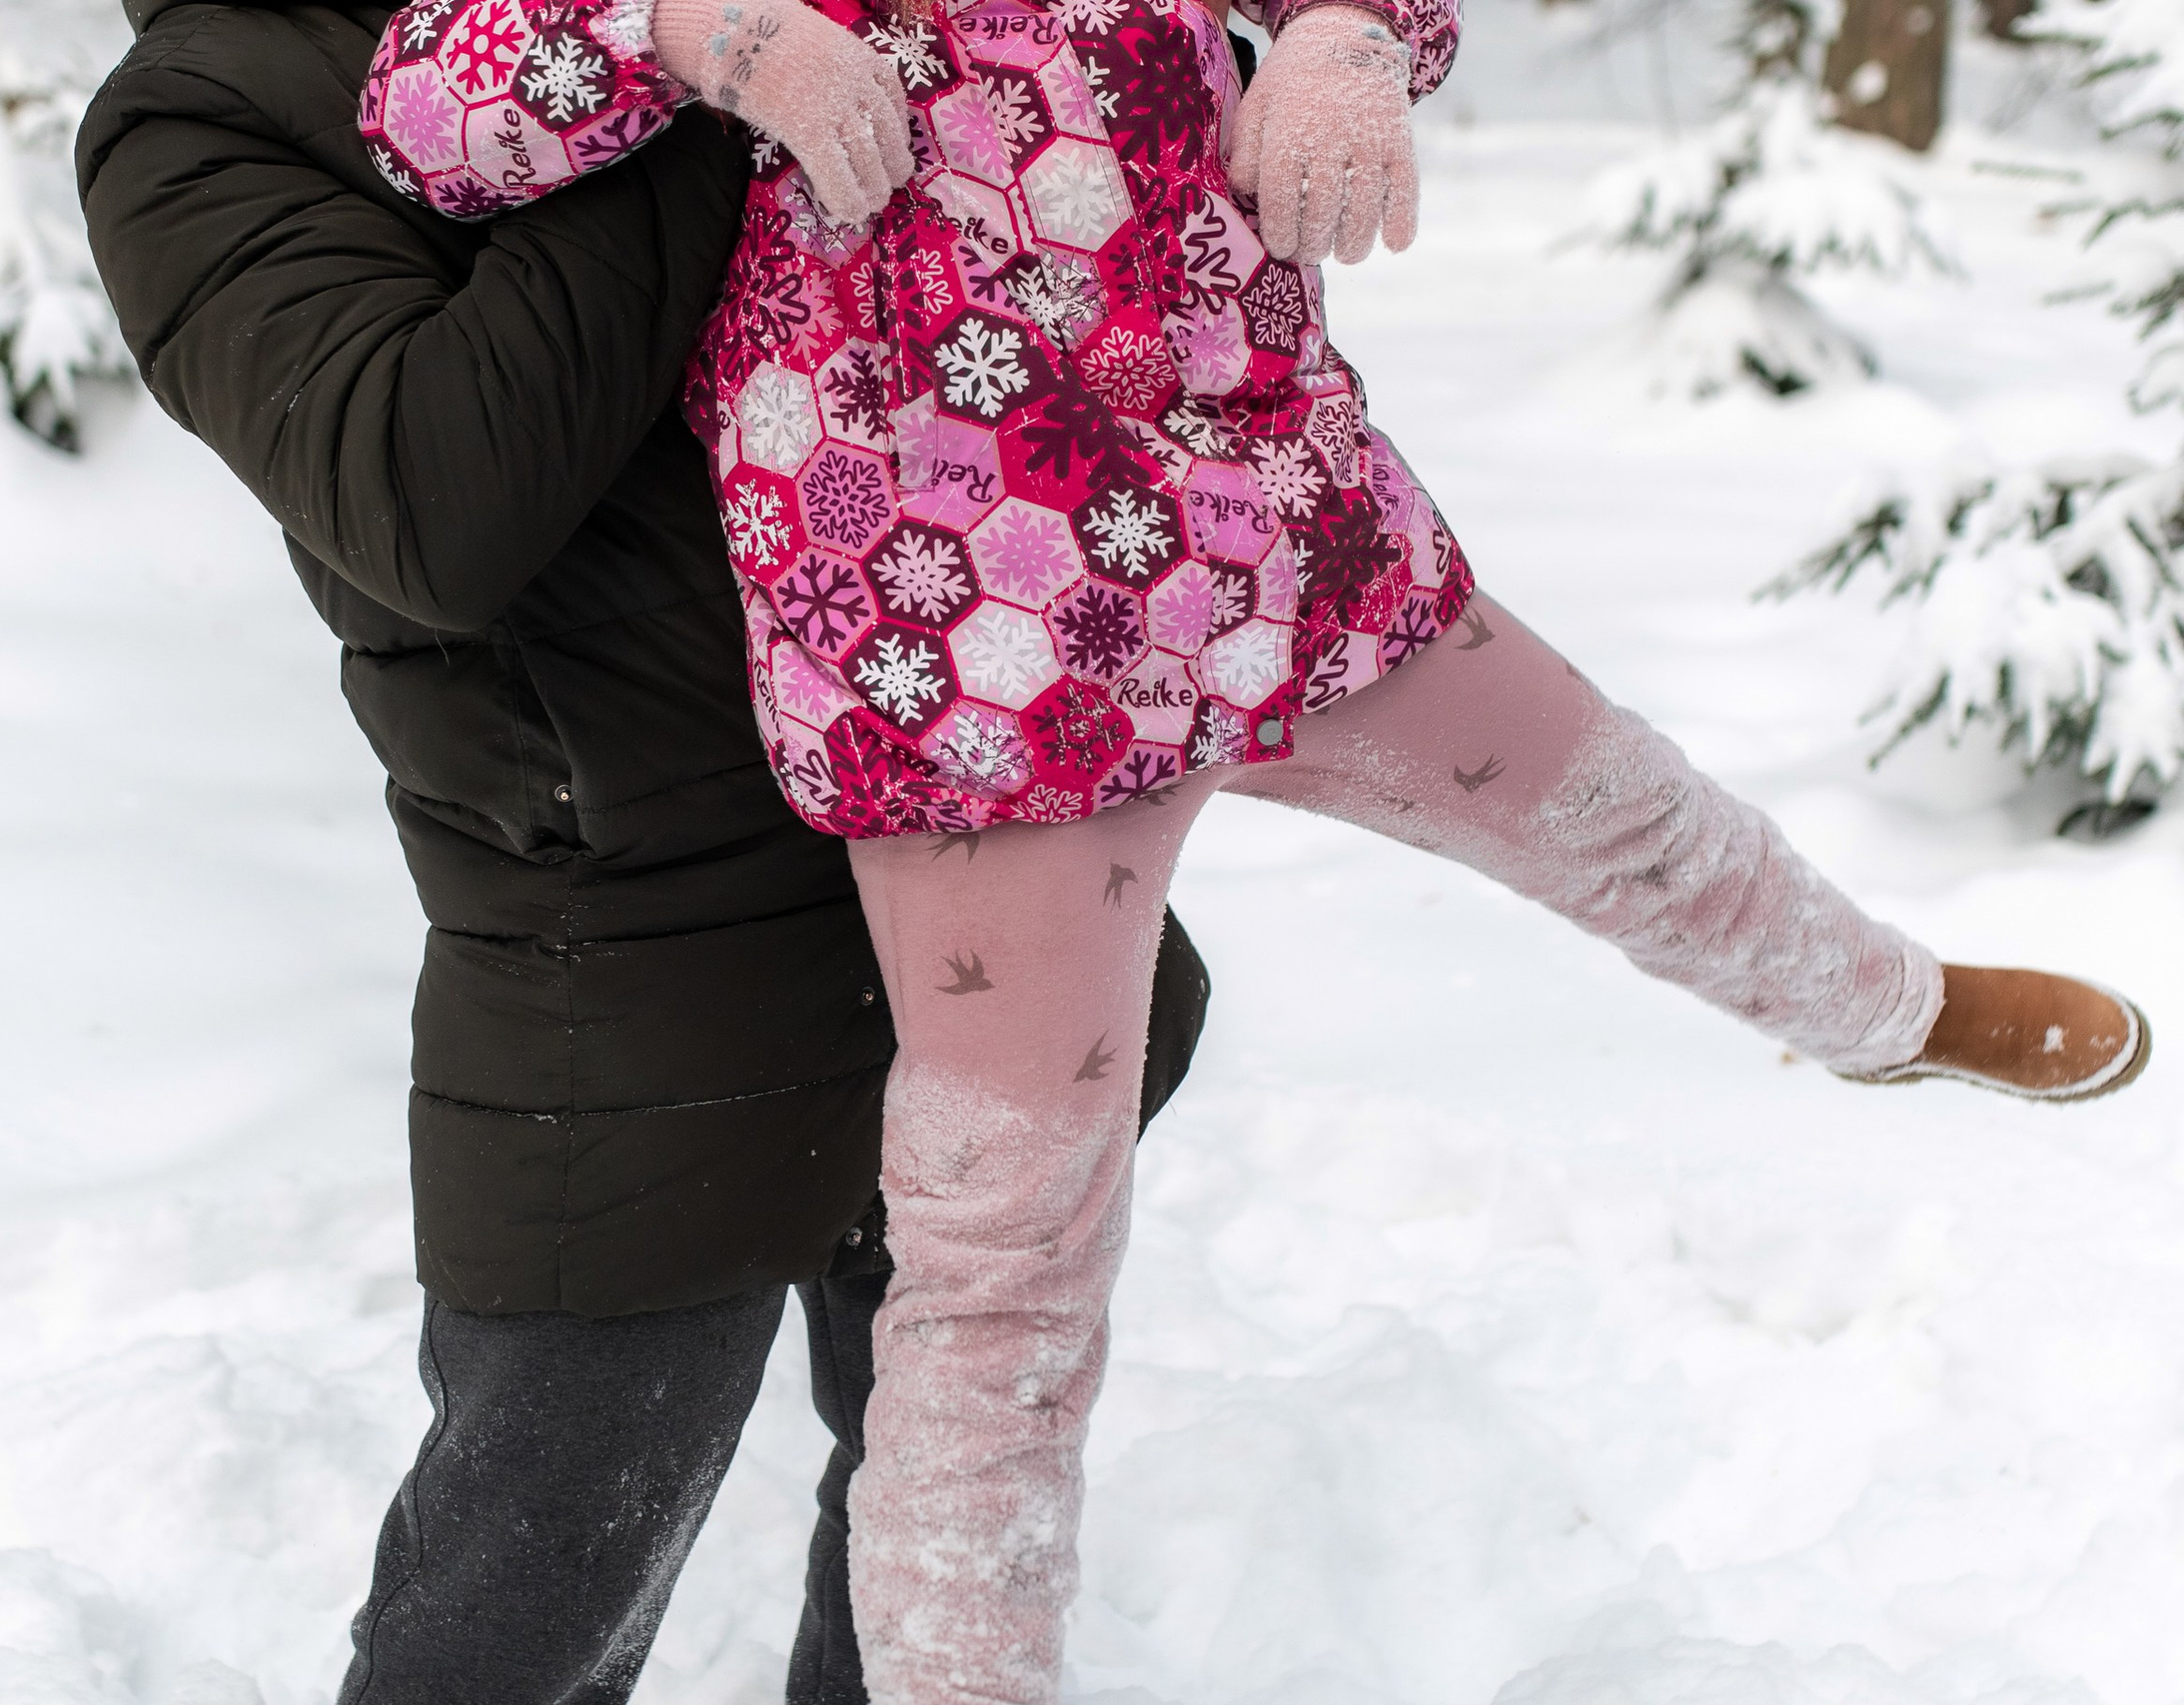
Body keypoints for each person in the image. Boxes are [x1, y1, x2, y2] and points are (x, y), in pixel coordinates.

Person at [355, 0, 2154, 1699]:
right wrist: (700, 31)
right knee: (1006, 1283)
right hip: (972, 648)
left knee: (1629, 813)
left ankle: (1899, 1009)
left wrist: (1345, 43)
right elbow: (431, 108)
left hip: (1277, 523)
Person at [76, 5, 1215, 1703]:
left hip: (974, 882)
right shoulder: (202, 116)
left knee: (944, 1516)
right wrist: (692, 67)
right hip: (633, 972)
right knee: (524, 1599)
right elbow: (428, 495)